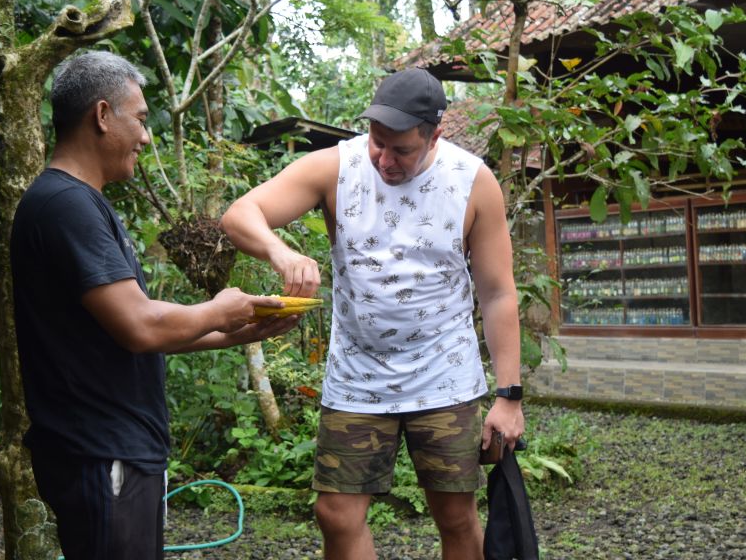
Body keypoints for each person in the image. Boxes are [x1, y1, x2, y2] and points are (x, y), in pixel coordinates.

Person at [221, 67, 525, 560]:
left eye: (400, 149)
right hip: (357, 376)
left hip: (444, 373)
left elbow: (497, 293)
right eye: (376, 142)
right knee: (336, 515)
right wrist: (283, 254)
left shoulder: (473, 181)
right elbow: (241, 214)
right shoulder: (334, 168)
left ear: (435, 136)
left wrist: (509, 396)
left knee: (454, 515)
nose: (383, 159)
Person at [10, 50, 297, 560]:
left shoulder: (81, 202)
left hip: (113, 452)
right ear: (101, 116)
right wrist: (220, 307)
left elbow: (133, 327)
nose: (146, 137)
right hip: (100, 452)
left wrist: (238, 329)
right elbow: (142, 327)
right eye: (140, 119)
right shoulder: (66, 205)